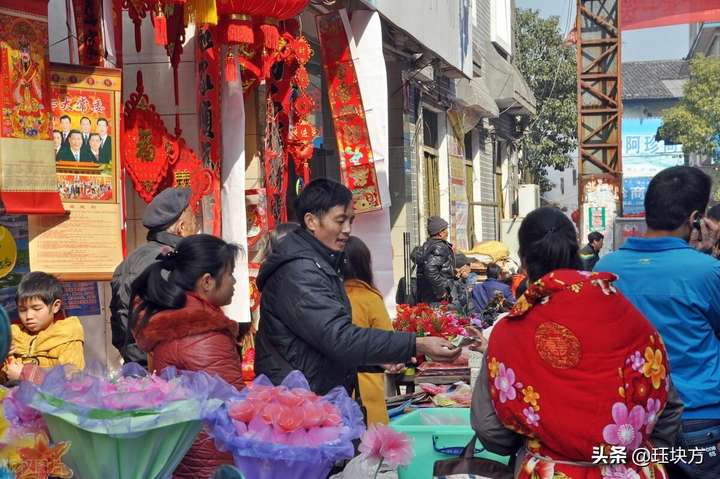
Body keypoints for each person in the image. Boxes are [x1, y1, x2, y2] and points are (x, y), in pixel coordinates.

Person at [471, 207, 682, 479]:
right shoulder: (632, 319)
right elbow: (669, 406)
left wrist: (537, 443)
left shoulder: (510, 333)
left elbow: (490, 430)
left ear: (524, 260)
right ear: (576, 252)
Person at [255, 179, 462, 395]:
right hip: (298, 405)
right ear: (311, 221)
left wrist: (377, 360)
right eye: (340, 221)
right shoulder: (299, 271)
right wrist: (415, 344)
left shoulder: (318, 263)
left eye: (350, 221)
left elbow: (320, 348)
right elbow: (338, 338)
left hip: (313, 397)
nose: (347, 230)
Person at [595, 166, 720, 478]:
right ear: (695, 219)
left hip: (630, 422)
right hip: (698, 419)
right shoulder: (706, 272)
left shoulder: (605, 268)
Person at [131, 234, 244, 478]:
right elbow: (233, 409)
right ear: (207, 281)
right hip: (213, 461)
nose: (234, 282)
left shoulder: (175, 320)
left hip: (184, 456)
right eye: (230, 274)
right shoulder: (205, 335)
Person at [110, 187, 198, 366]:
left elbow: (118, 322)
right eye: (194, 223)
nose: (196, 230)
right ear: (181, 228)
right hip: (164, 369)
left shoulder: (129, 261)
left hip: (135, 364)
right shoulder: (171, 262)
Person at [343, 236, 394, 425]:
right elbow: (388, 344)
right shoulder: (369, 299)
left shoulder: (325, 297)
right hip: (366, 390)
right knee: (370, 448)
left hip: (332, 390)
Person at [2, 272, 85, 384]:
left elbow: (72, 380)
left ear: (55, 306)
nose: (29, 316)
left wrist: (24, 373)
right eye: (22, 310)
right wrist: (3, 356)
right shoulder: (14, 335)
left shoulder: (67, 336)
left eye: (36, 309)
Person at [414, 216, 455, 304]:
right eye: (446, 230)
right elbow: (430, 269)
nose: (447, 233)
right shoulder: (440, 246)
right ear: (440, 233)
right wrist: (441, 290)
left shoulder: (427, 245)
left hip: (427, 293)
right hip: (438, 296)